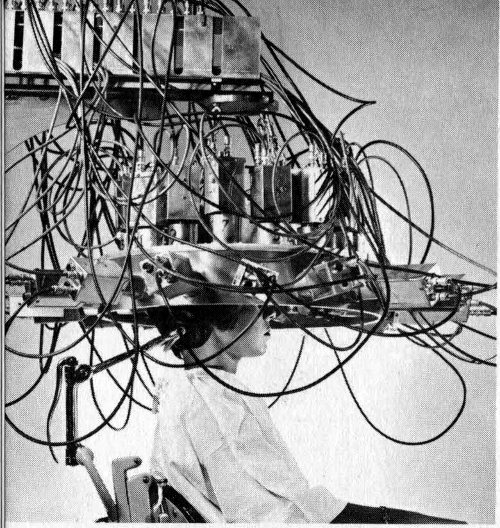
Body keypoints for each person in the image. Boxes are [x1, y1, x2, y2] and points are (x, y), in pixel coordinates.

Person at [149, 295, 466, 523]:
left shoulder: (197, 390)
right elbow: (272, 517)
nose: (271, 316)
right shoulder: (208, 401)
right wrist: (391, 520)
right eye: (259, 303)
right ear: (216, 315)